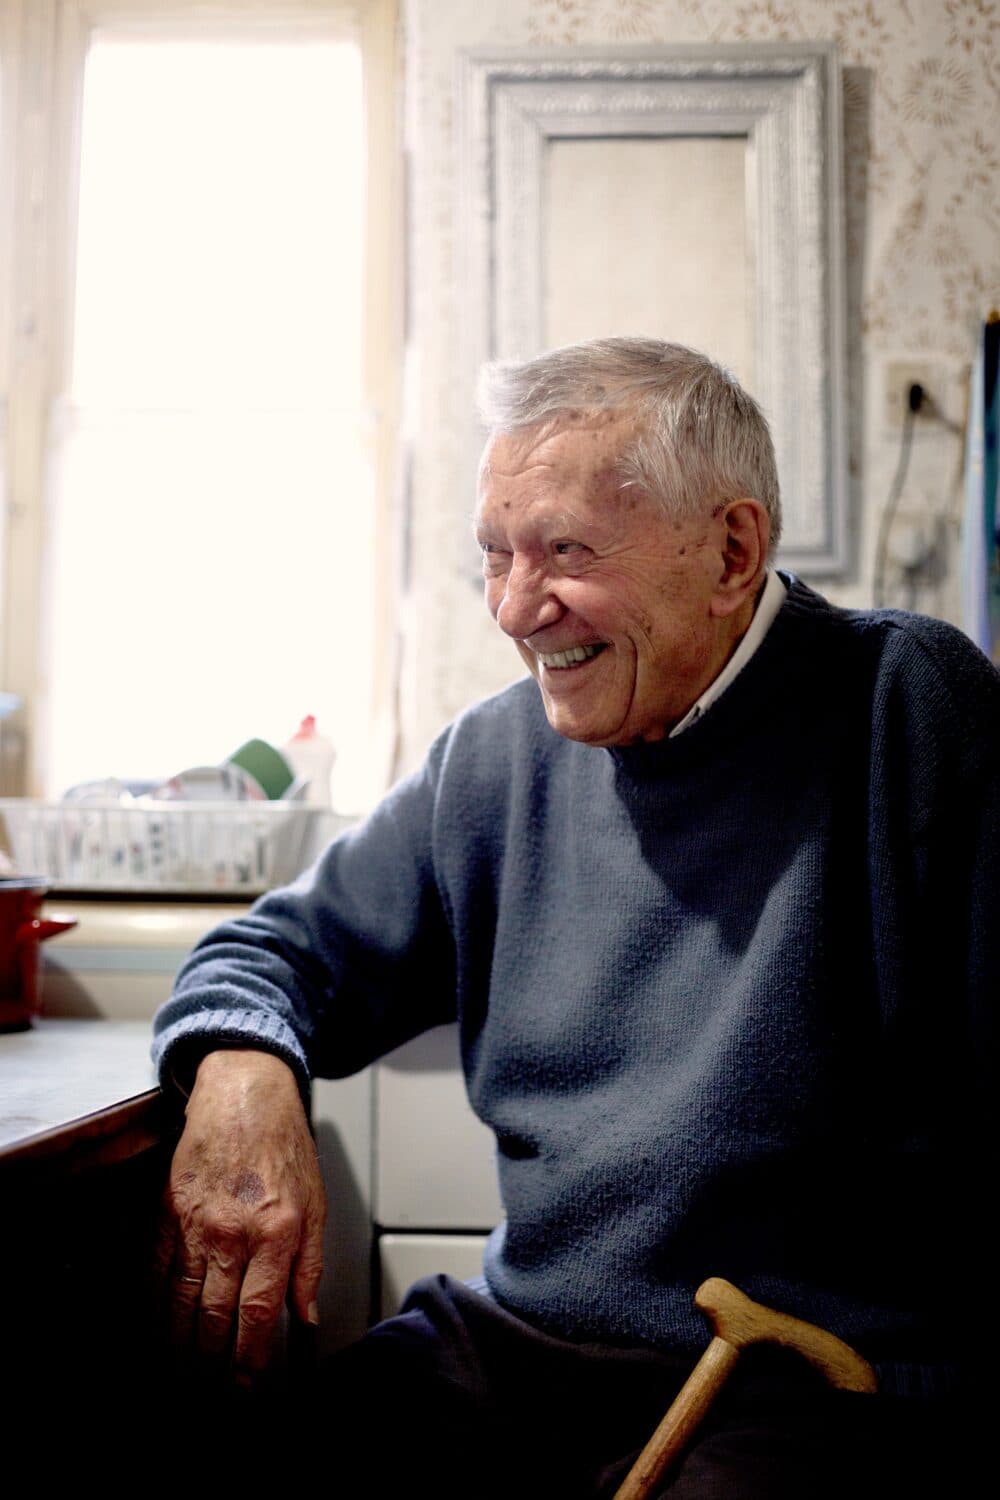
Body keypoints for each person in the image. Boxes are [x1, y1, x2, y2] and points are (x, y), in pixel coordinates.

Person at [151, 338, 997, 1496]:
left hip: (807, 1378)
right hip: (517, 1350)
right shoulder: (492, 759)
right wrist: (243, 1076)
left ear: (732, 551)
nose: (513, 607)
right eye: (494, 554)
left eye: (564, 552)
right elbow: (272, 955)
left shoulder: (910, 707)